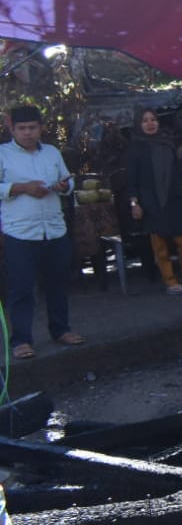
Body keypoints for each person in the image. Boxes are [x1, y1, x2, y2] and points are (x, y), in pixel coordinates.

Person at [0, 104, 83, 358]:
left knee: (57, 284)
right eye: (22, 128)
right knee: (21, 288)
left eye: (32, 128)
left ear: (41, 128)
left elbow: (69, 182)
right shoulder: (3, 154)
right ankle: (21, 341)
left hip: (54, 229)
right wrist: (22, 188)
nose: (27, 133)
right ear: (11, 128)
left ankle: (61, 330)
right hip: (20, 232)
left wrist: (62, 186)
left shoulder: (51, 152)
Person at [127, 108, 182, 296]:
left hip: (174, 196)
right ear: (139, 124)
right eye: (145, 120)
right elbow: (132, 180)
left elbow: (177, 169)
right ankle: (170, 280)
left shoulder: (167, 143)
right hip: (151, 200)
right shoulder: (135, 148)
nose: (150, 123)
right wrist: (134, 203)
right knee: (160, 242)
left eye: (153, 119)